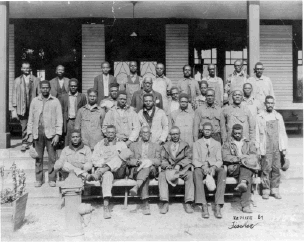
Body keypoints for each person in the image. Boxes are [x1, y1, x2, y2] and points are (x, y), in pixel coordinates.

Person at [27, 80, 63, 187]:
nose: (45, 89)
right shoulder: (34, 101)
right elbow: (31, 119)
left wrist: (57, 134)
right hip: (37, 132)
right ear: (40, 89)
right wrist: (29, 134)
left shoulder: (55, 101)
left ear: (50, 89)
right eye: (43, 88)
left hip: (51, 133)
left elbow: (59, 119)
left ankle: (52, 179)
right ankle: (39, 179)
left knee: (52, 157)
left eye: (47, 87)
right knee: (38, 157)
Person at [89, 125, 128, 219]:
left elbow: (126, 157)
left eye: (112, 132)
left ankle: (100, 172)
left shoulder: (121, 144)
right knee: (107, 175)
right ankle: (106, 206)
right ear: (105, 133)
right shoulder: (100, 144)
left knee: (119, 158)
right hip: (107, 172)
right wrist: (103, 163)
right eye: (108, 132)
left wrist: (109, 163)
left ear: (115, 133)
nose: (110, 134)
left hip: (119, 171)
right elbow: (94, 159)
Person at [222, 124, 260, 213]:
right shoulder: (227, 143)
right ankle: (246, 205)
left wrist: (245, 160)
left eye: (239, 133)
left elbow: (254, 155)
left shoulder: (249, 143)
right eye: (235, 133)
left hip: (247, 166)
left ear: (242, 132)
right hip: (234, 167)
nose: (237, 135)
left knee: (246, 170)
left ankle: (243, 182)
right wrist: (239, 159)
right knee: (246, 172)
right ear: (232, 133)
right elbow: (225, 157)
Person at [256, 96, 288, 200]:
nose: (270, 105)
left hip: (276, 146)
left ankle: (275, 190)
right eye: (268, 103)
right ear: (265, 104)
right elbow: (257, 133)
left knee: (276, 168)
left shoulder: (278, 116)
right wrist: (258, 147)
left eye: (271, 103)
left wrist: (284, 148)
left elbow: (282, 133)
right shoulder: (260, 117)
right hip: (266, 146)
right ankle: (265, 190)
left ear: (274, 104)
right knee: (266, 169)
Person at [193, 122, 226, 218]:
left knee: (222, 171)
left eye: (209, 130)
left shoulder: (217, 143)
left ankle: (218, 204)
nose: (207, 131)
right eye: (205, 129)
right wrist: (203, 166)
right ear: (202, 130)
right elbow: (194, 159)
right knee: (196, 172)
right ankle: (203, 204)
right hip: (202, 167)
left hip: (213, 167)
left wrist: (214, 167)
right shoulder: (196, 143)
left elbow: (220, 160)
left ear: (212, 131)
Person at [158, 126, 194, 214]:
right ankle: (165, 202)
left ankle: (188, 202)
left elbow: (189, 157)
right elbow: (162, 159)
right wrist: (167, 166)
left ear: (179, 134)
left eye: (176, 134)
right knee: (162, 175)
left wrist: (179, 164)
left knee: (190, 175)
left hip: (181, 170)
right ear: (170, 135)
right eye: (173, 134)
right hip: (169, 169)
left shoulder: (185, 145)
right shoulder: (165, 146)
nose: (175, 136)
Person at [128, 126, 161, 215]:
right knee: (145, 173)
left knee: (147, 166)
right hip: (137, 170)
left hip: (151, 171)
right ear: (140, 134)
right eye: (144, 132)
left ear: (150, 134)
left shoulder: (156, 146)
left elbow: (158, 161)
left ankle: (137, 187)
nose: (146, 134)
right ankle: (145, 204)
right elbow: (128, 160)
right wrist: (138, 162)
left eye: (147, 133)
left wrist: (149, 161)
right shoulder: (133, 145)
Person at [11, 61, 40, 151]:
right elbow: (14, 94)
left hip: (33, 106)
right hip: (21, 106)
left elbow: (39, 93)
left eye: (27, 68)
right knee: (24, 125)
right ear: (21, 69)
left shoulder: (36, 80)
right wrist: (14, 108)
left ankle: (32, 143)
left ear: (30, 69)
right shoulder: (17, 80)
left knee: (34, 124)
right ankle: (24, 142)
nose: (26, 69)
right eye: (24, 68)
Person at [60, 78, 87, 146]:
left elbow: (85, 109)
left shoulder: (82, 96)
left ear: (77, 87)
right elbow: (62, 110)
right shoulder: (64, 97)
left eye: (75, 86)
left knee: (79, 139)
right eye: (71, 86)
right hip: (68, 121)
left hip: (78, 121)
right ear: (69, 86)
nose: (73, 87)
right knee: (68, 140)